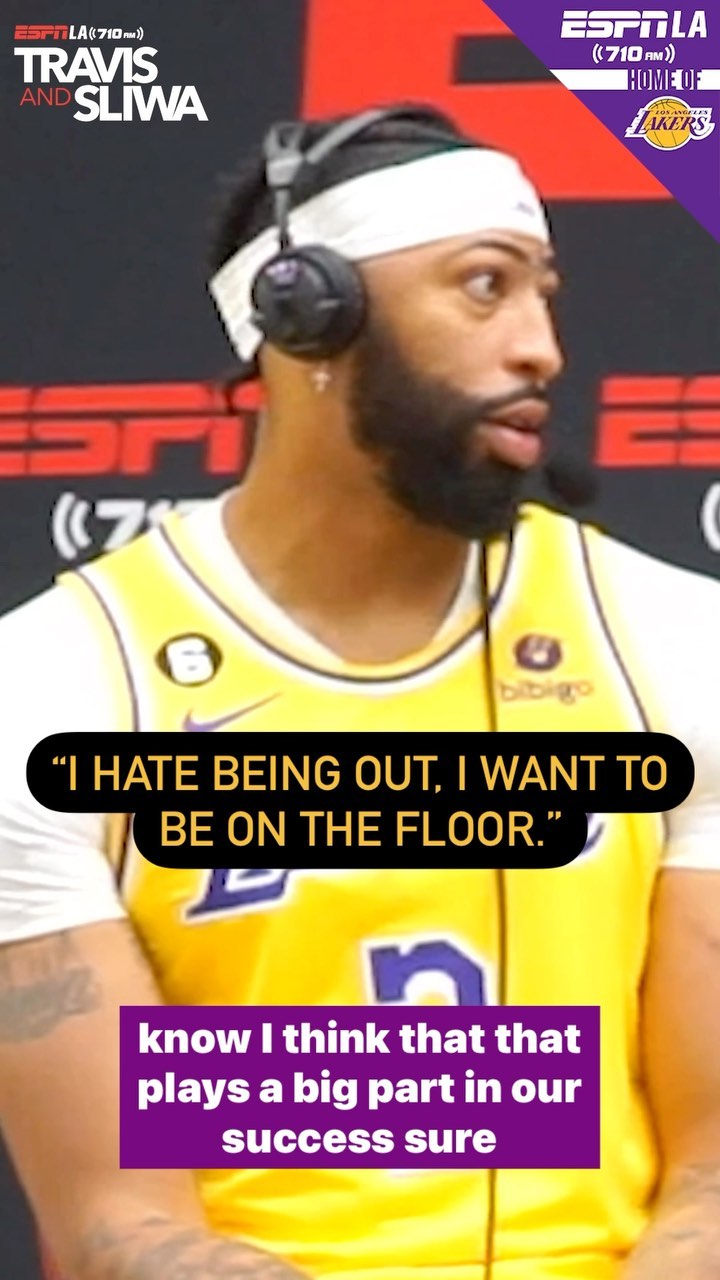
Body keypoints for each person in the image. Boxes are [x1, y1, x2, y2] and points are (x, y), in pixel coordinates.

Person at [0, 102, 719, 1280]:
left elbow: (714, 1174)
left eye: (543, 293)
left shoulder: (677, 642)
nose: (541, 347)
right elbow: (117, 1221)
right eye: (484, 286)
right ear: (308, 314)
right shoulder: (55, 685)